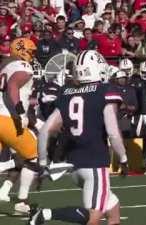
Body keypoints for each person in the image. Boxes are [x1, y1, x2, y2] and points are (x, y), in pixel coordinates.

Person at [28, 50, 129, 225]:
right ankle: (44, 214)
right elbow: (113, 131)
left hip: (74, 165)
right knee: (93, 217)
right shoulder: (104, 91)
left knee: (113, 208)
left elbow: (45, 131)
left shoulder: (67, 93)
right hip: (95, 163)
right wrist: (124, 157)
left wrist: (43, 163)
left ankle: (45, 214)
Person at [0, 38, 43, 214]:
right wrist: (19, 110)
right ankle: (22, 202)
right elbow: (12, 87)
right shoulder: (22, 66)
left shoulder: (5, 65)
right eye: (31, 51)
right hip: (8, 119)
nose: (32, 55)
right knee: (33, 156)